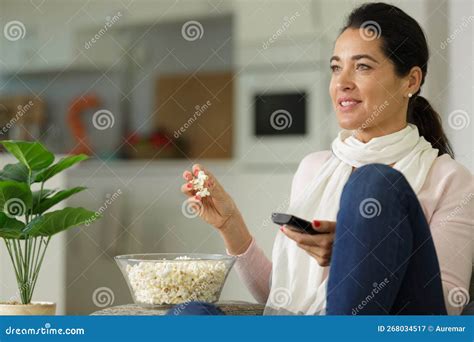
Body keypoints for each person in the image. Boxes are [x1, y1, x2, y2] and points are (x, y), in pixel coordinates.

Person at [175, 2, 473, 315]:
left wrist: (361, 253)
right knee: (191, 315)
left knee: (374, 181)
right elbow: (282, 298)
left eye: (362, 66)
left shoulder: (450, 180)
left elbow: (446, 310)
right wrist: (230, 224)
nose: (342, 82)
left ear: (410, 81)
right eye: (335, 67)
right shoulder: (314, 168)